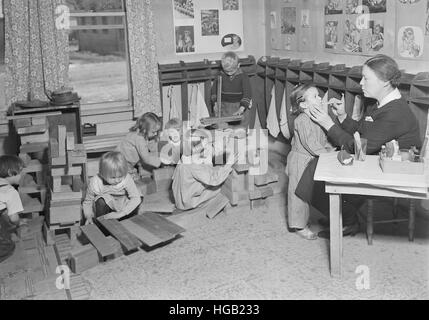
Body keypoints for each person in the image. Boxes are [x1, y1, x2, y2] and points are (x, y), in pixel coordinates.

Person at [301, 54, 421, 238]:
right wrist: (342, 117)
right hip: (375, 158)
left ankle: (346, 221)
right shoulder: (379, 103)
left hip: (392, 169)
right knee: (317, 165)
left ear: (385, 82)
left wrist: (328, 124)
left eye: (366, 78)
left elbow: (357, 147)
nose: (361, 83)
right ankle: (340, 215)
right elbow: (362, 133)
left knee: (316, 168)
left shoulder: (395, 112)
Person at [286, 84, 333, 240]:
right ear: (303, 104)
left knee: (310, 191)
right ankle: (298, 225)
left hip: (312, 159)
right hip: (300, 160)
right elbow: (310, 144)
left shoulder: (316, 117)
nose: (320, 98)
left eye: (319, 95)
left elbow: (322, 139)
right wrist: (327, 155)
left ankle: (306, 218)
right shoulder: (302, 120)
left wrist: (330, 148)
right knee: (298, 193)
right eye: (315, 96)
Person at [172, 128, 235, 211]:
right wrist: (229, 164)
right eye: (204, 147)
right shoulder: (194, 166)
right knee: (220, 186)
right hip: (189, 201)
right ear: (196, 149)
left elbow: (209, 151)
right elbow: (214, 180)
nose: (207, 148)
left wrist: (224, 139)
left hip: (180, 197)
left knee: (212, 168)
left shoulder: (186, 156)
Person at [83, 151, 141, 224]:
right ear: (102, 174)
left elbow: (135, 198)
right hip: (108, 204)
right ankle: (101, 225)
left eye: (120, 176)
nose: (117, 180)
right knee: (100, 201)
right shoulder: (95, 183)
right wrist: (88, 216)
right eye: (113, 177)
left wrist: (120, 214)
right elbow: (88, 201)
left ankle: (125, 221)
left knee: (138, 199)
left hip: (123, 202)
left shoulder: (126, 178)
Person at [116, 112, 164, 181]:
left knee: (134, 174)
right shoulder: (139, 138)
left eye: (157, 131)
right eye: (153, 132)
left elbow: (152, 147)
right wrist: (161, 161)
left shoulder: (143, 134)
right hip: (120, 162)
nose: (155, 134)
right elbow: (146, 158)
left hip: (126, 162)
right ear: (145, 130)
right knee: (131, 179)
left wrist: (158, 154)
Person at [210, 51, 252, 128]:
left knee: (239, 129)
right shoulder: (220, 74)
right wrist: (215, 103)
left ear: (238, 65)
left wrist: (241, 109)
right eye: (226, 71)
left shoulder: (243, 76)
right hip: (223, 106)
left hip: (239, 106)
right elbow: (214, 90)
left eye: (232, 71)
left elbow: (247, 93)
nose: (229, 73)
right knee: (224, 129)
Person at [0, 156, 25, 263]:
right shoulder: (11, 192)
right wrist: (19, 223)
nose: (22, 175)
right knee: (8, 246)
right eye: (20, 172)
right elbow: (13, 218)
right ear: (11, 173)